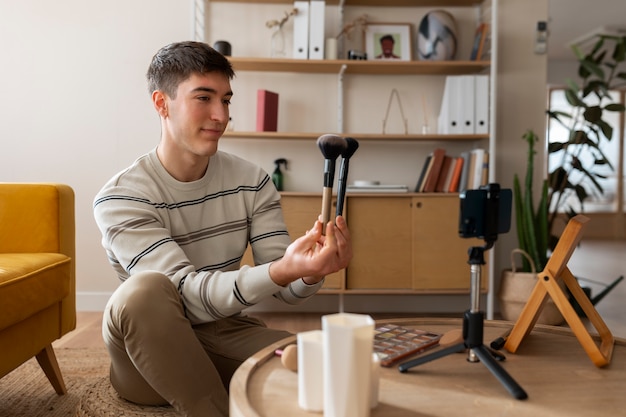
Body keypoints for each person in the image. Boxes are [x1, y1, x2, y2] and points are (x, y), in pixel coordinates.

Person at [93, 41, 352, 417]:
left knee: (332, 363)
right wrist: (280, 271)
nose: (220, 115)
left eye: (227, 100)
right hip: (150, 347)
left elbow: (288, 293)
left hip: (227, 331)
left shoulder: (252, 181)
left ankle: (233, 385)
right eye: (204, 98)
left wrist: (310, 271)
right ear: (161, 104)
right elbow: (184, 295)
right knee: (144, 291)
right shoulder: (121, 197)